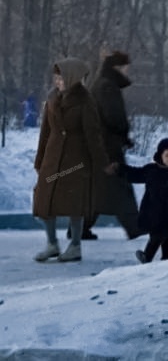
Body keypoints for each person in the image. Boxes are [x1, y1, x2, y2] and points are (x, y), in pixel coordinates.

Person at [32, 58, 112, 262]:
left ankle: (75, 246)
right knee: (44, 199)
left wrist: (101, 163)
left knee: (75, 203)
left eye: (60, 78)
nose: (57, 81)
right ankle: (52, 244)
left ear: (72, 78)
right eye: (56, 78)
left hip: (76, 161)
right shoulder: (52, 98)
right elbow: (45, 131)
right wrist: (39, 159)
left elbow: (93, 135)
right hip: (52, 157)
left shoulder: (85, 101)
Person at [82, 49, 142, 240]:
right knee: (120, 186)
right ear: (117, 67)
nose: (127, 71)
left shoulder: (100, 84)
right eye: (125, 67)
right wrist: (124, 133)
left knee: (99, 188)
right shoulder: (108, 87)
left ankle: (81, 227)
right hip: (108, 146)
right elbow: (114, 116)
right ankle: (135, 227)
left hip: (98, 145)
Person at [122, 137, 168, 263]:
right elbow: (136, 174)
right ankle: (167, 257)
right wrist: (119, 169)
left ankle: (147, 256)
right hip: (152, 213)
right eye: (167, 155)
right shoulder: (152, 170)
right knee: (162, 236)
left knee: (161, 234)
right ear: (161, 155)